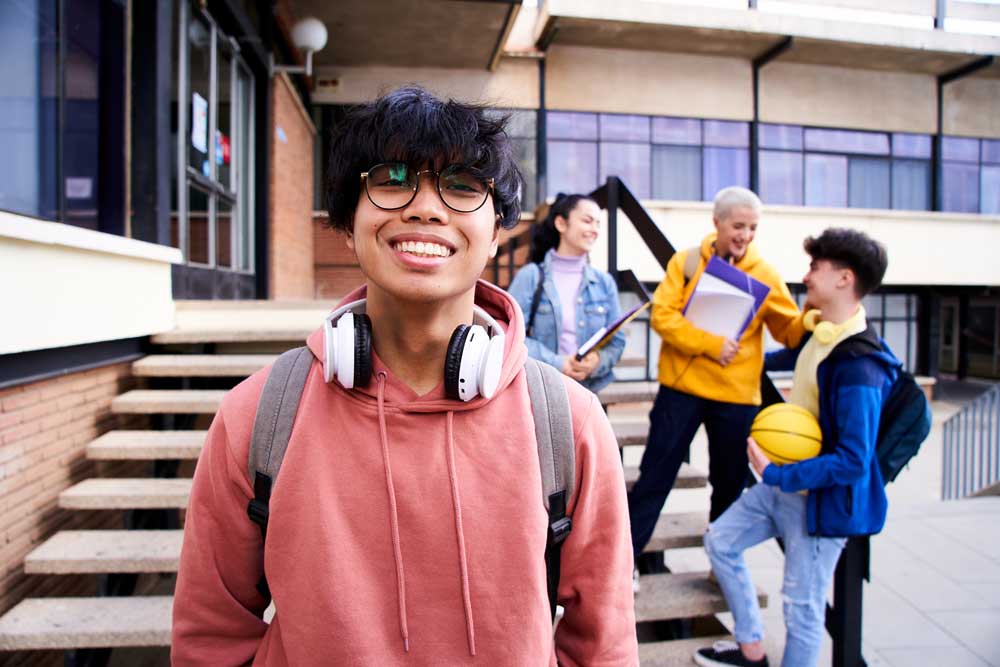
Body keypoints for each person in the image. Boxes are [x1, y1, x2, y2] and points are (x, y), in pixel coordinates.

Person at [171, 87, 638, 666]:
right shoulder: (259, 416)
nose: (425, 207)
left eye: (462, 184)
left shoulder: (569, 423)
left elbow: (604, 647)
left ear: (497, 232)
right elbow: (209, 639)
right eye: (392, 178)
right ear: (347, 221)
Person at [694, 228, 895, 667]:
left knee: (801, 608)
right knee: (721, 541)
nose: (806, 275)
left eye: (815, 268)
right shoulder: (821, 334)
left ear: (843, 279)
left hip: (818, 500)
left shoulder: (859, 365)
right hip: (784, 485)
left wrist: (776, 474)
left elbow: (854, 461)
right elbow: (771, 360)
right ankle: (751, 647)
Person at [628, 186, 806, 580]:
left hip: (737, 398)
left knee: (728, 485)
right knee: (655, 476)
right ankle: (625, 565)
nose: (745, 235)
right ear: (717, 223)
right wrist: (712, 345)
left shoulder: (766, 274)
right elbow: (663, 318)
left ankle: (720, 567)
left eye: (753, 228)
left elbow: (789, 332)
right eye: (738, 225)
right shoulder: (687, 262)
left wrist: (814, 313)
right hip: (682, 390)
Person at [507, 193, 625, 393]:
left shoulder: (604, 283)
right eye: (587, 221)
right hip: (542, 392)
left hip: (590, 394)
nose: (594, 230)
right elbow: (511, 335)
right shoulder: (531, 277)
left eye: (598, 223)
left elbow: (617, 341)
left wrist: (597, 361)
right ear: (561, 223)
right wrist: (558, 363)